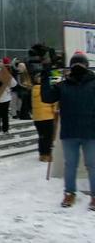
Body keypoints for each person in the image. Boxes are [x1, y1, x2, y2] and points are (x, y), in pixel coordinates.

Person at [41, 53, 95, 210]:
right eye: (75, 65)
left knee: (92, 165)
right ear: (70, 68)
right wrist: (46, 70)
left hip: (91, 132)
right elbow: (46, 97)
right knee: (70, 165)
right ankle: (69, 193)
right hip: (69, 133)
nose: (78, 67)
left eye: (81, 64)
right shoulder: (63, 85)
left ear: (86, 66)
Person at [31, 73, 56, 162]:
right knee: (48, 137)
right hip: (47, 116)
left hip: (37, 118)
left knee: (41, 136)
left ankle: (42, 154)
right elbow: (52, 102)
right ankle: (47, 155)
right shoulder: (46, 90)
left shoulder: (34, 89)